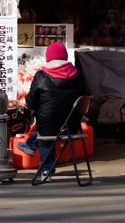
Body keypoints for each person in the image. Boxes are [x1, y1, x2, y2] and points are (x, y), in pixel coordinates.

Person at [21, 41, 87, 183]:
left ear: (48, 57)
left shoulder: (41, 76)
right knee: (49, 124)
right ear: (65, 57)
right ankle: (30, 146)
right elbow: (86, 98)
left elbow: (31, 102)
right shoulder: (78, 76)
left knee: (46, 131)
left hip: (47, 126)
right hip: (72, 127)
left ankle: (46, 171)